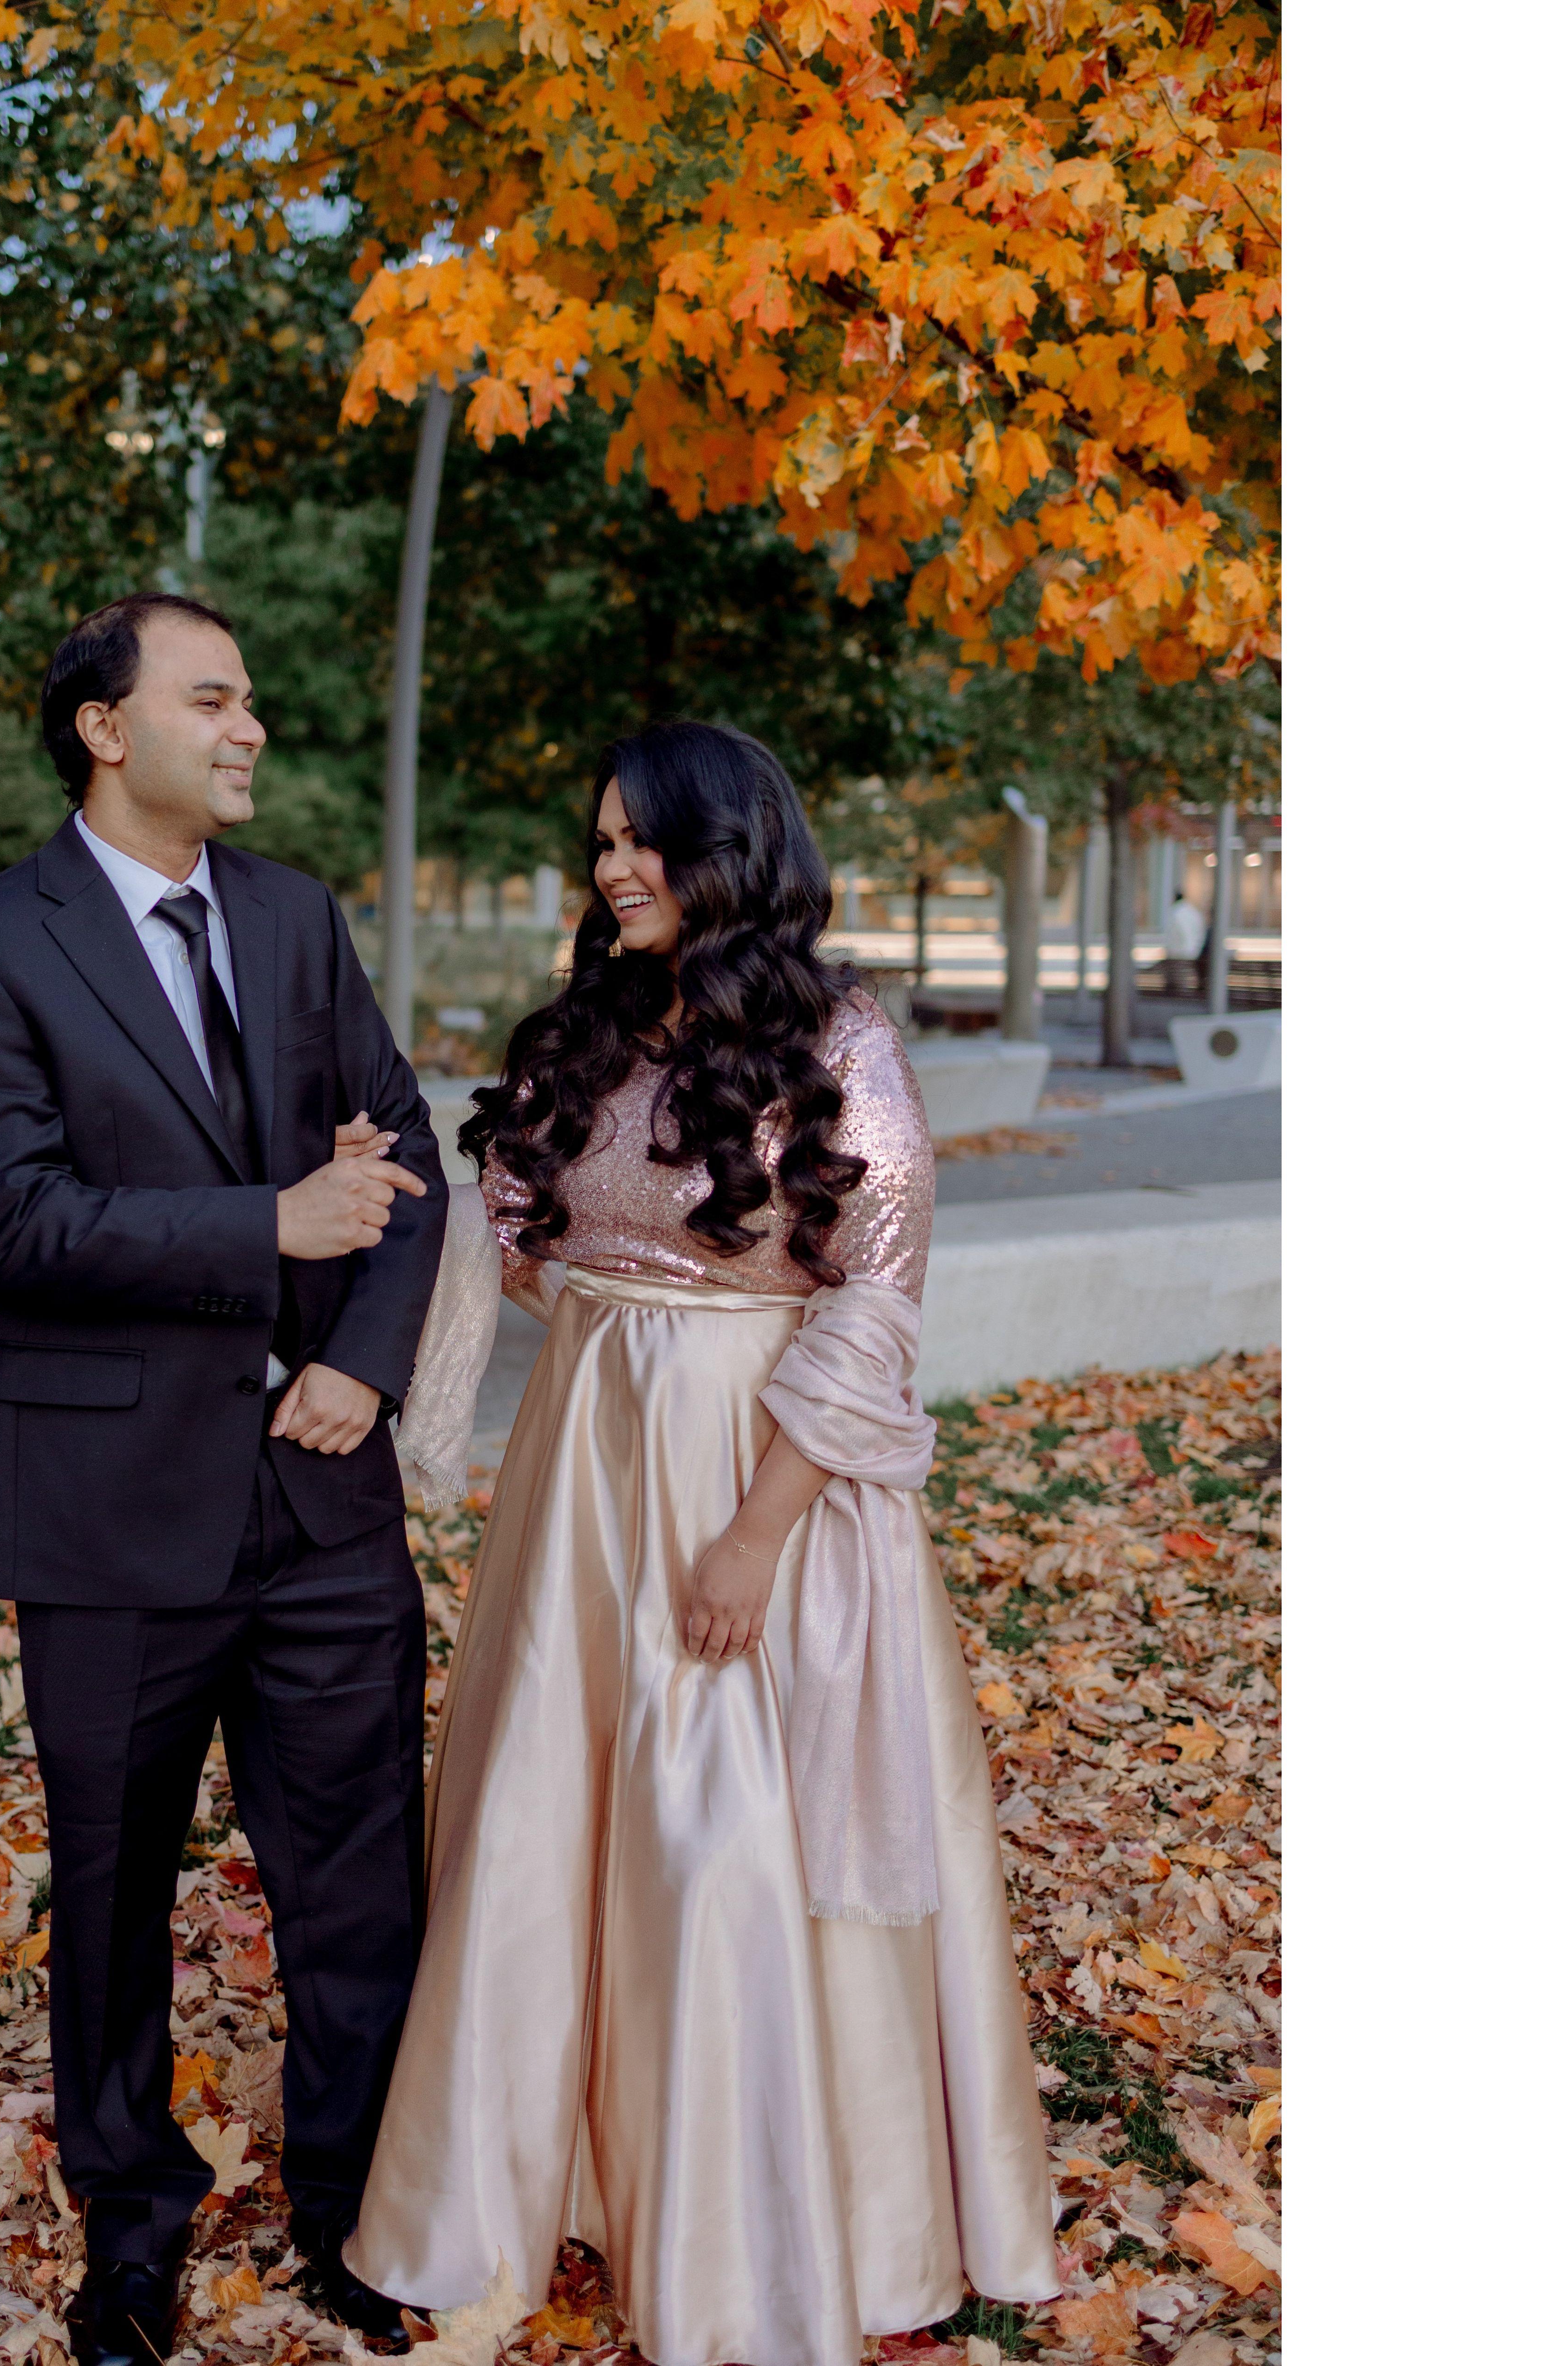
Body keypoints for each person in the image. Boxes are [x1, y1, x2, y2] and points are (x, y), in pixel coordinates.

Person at [346, 722, 1061, 2366]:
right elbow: (525, 1230)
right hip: (585, 1466)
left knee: (721, 1823)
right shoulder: (595, 1024)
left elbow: (874, 1299)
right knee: (549, 1810)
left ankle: (753, 2224)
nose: (613, 868)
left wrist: (751, 1532)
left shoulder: (840, 1039)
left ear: (730, 852)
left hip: (755, 1471)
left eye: (642, 840)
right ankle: (529, 2173)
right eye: (599, 840)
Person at [0, 592, 445, 2366]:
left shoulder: (293, 918)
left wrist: (363, 1362)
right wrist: (266, 1222)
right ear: (104, 727)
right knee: (114, 1889)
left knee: (360, 1880)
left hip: (323, 1490)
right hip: (109, 1506)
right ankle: (128, 2235)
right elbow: (10, 1218)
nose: (249, 727)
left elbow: (403, 1148)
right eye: (211, 699)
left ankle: (355, 2210)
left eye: (251, 700)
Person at [1164, 889, 1209, 995]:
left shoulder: (1176, 912)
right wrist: (1194, 950)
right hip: (1190, 953)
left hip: (1178, 954)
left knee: (1178, 982)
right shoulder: (1192, 912)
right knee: (1184, 981)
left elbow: (1179, 934)